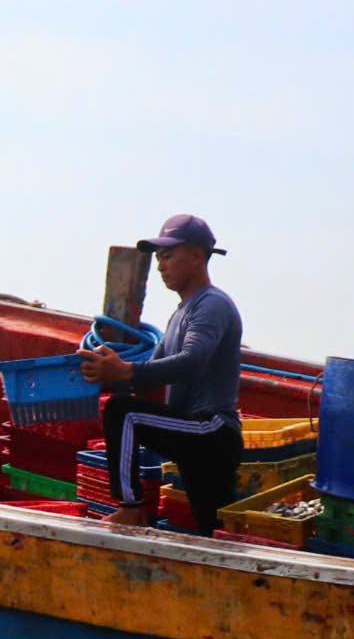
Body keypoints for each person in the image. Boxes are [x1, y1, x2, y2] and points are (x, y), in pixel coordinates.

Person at [78, 214, 244, 533]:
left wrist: (126, 369)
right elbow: (147, 376)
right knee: (213, 530)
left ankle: (131, 508)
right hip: (195, 433)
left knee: (122, 413)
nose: (160, 266)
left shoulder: (211, 305)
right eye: (157, 258)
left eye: (167, 255)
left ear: (196, 256)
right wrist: (104, 372)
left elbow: (191, 360)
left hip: (212, 430)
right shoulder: (181, 313)